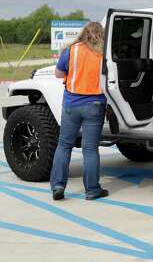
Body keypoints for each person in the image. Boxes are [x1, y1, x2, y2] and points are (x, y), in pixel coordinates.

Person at [50, 21, 109, 201]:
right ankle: (92, 190)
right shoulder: (104, 54)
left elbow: (59, 74)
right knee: (90, 149)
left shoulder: (71, 50)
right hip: (95, 105)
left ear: (84, 33)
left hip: (71, 104)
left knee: (64, 145)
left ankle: (58, 186)